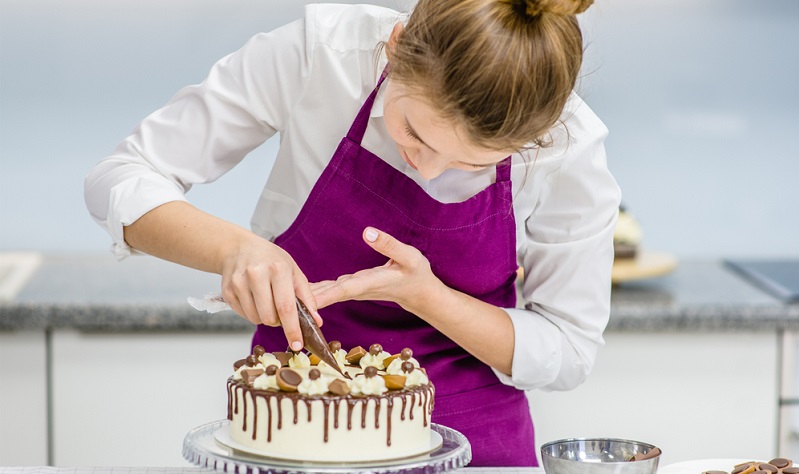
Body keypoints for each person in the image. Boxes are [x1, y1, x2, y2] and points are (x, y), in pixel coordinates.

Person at [85, 0, 620, 466]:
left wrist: (428, 298)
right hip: (292, 433)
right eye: (414, 132)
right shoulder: (323, 55)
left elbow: (570, 349)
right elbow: (120, 178)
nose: (429, 170)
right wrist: (235, 249)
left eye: (471, 163)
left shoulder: (567, 147)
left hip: (478, 450)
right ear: (395, 46)